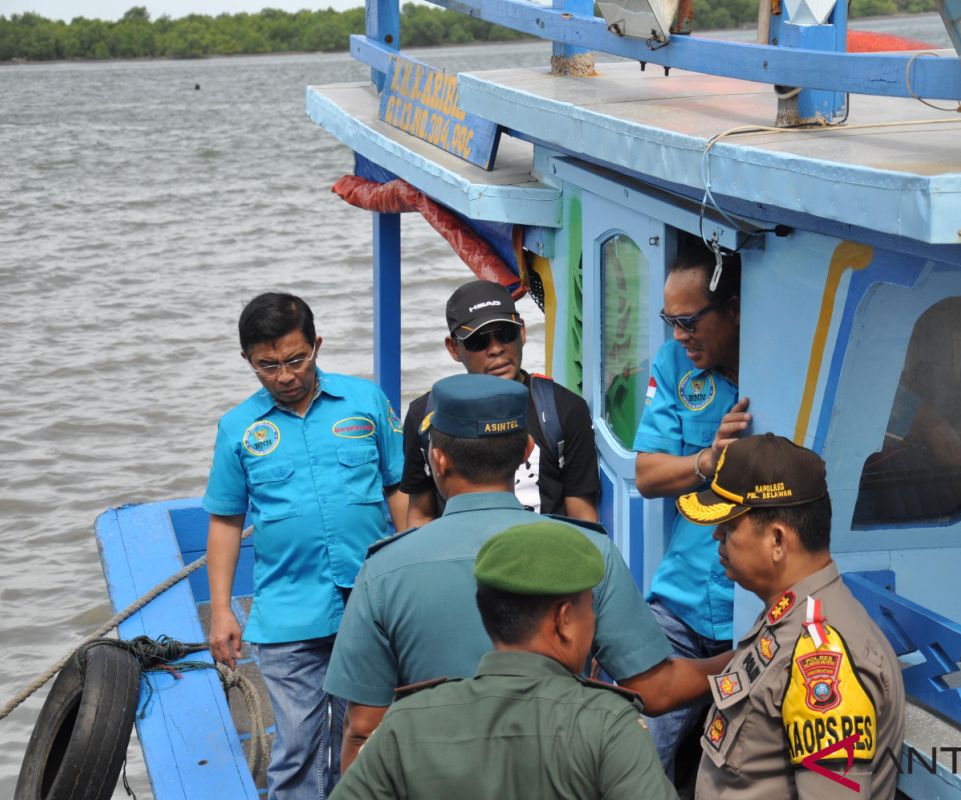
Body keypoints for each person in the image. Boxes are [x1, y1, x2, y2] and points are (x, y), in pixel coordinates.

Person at [324, 373, 730, 769]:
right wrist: (748, 653)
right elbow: (656, 691)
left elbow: (362, 731)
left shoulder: (382, 569)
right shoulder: (590, 550)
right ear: (526, 452)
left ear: (439, 459)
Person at [203, 292, 406, 799]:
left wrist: (412, 567)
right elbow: (226, 522)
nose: (285, 375)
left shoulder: (366, 402)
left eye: (297, 359)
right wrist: (223, 611)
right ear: (247, 360)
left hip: (371, 602)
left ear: (317, 345)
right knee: (298, 743)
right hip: (289, 612)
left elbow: (398, 488)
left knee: (369, 732)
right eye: (267, 365)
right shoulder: (238, 429)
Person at [328, 521, 678, 800]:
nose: (594, 621)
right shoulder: (609, 725)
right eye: (590, 608)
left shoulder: (406, 723)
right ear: (564, 620)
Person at [677, 434, 905, 800]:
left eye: (731, 525)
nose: (717, 534)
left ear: (779, 540)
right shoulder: (789, 616)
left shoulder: (824, 659)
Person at [633, 235, 749, 784]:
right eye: (669, 321)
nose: (679, 336)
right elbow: (648, 474)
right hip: (678, 603)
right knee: (633, 754)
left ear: (733, 310)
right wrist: (708, 460)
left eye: (690, 322)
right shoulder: (675, 363)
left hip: (755, 617)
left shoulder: (788, 363)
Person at [399, 279, 599, 525]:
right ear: (453, 348)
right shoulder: (425, 416)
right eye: (478, 341)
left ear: (522, 332)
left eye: (505, 334)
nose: (495, 349)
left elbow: (583, 516)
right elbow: (421, 513)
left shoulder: (565, 410)